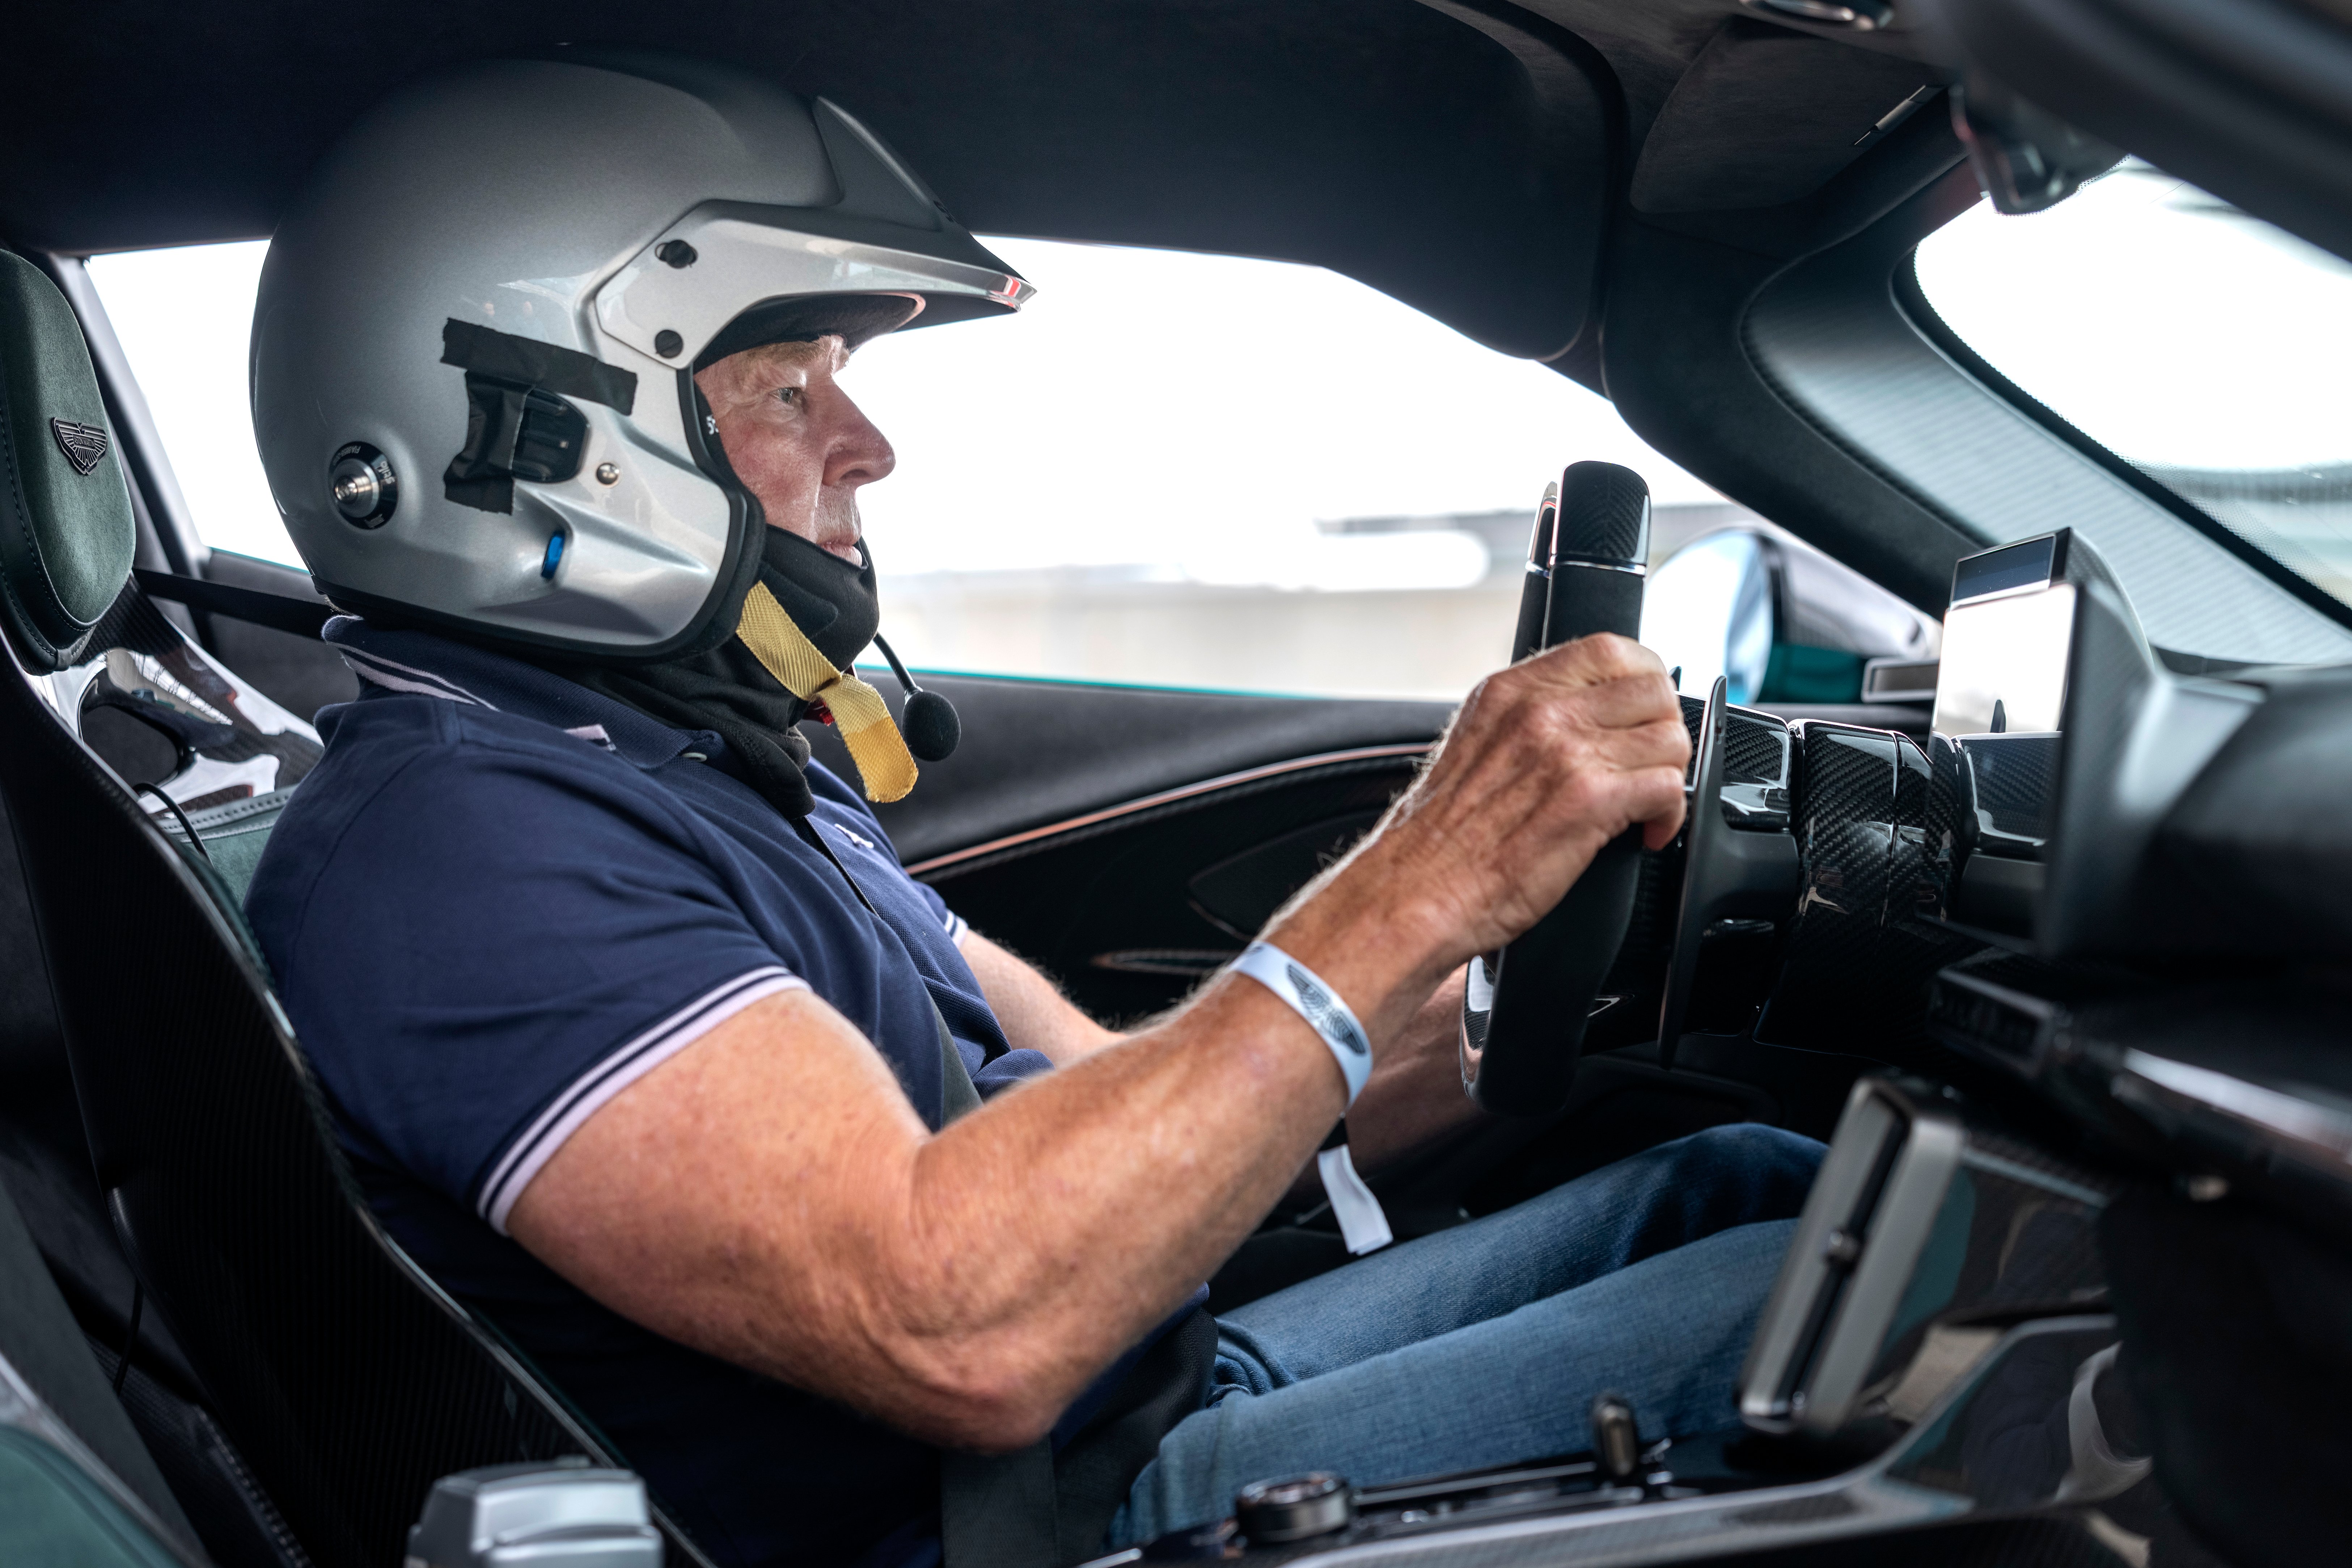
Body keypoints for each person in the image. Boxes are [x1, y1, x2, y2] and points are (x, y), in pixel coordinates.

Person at [244, 53, 1823, 1568]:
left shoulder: (691, 761)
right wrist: (1427, 875)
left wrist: (1526, 983)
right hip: (1025, 1518)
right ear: (536, 440)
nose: (868, 446)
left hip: (1134, 1393)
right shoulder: (461, 852)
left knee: (1752, 1184)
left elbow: (1112, 1103)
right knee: (1832, 1313)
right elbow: (955, 1320)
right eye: (787, 389)